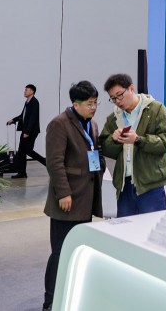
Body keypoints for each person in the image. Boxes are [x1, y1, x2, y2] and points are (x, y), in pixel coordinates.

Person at [42, 81, 104, 311]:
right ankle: (50, 302)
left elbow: (95, 152)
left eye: (96, 103)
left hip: (86, 199)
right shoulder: (59, 124)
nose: (94, 108)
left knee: (79, 251)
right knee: (60, 253)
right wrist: (64, 192)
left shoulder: (92, 124)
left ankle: (72, 297)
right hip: (67, 200)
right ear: (75, 104)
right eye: (89, 104)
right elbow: (55, 162)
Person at [99, 73, 166, 217]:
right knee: (126, 228)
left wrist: (139, 140)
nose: (117, 101)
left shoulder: (156, 110)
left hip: (150, 184)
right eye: (113, 98)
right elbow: (105, 147)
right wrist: (114, 140)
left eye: (120, 95)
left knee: (151, 227)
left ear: (131, 88)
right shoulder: (114, 118)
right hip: (124, 185)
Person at [6, 83, 46, 178]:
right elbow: (23, 116)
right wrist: (13, 120)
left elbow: (33, 118)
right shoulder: (27, 102)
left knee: (28, 151)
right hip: (25, 130)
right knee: (21, 152)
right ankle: (22, 173)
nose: (24, 91)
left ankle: (46, 163)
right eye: (25, 90)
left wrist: (27, 132)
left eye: (26, 90)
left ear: (32, 91)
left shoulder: (34, 102)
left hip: (30, 132)